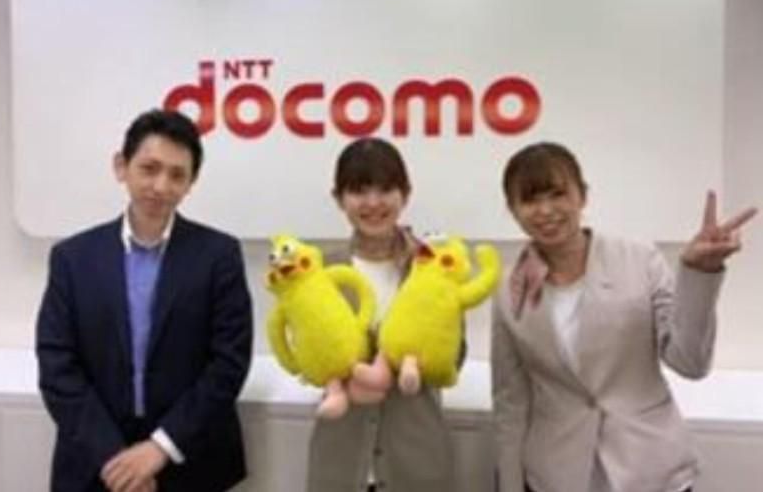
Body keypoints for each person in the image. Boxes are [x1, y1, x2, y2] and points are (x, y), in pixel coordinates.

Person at [490, 142, 757, 492]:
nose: (545, 211)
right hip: (557, 475)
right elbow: (510, 402)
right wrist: (510, 485)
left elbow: (689, 362)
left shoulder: (638, 259)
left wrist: (699, 273)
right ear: (512, 209)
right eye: (529, 200)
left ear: (582, 196)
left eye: (558, 194)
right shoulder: (508, 292)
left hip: (651, 466)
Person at [36, 109, 253, 492]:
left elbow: (228, 363)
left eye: (177, 175)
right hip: (96, 464)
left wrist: (160, 448)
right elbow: (57, 365)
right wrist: (117, 461)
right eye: (149, 169)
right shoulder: (73, 258)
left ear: (191, 182)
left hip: (191, 462)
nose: (161, 185)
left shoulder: (219, 255)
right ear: (122, 167)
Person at [305, 137, 456, 492]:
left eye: (386, 189)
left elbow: (454, 357)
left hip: (417, 462)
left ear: (406, 193)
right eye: (359, 190)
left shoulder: (434, 266)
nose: (373, 203)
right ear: (339, 198)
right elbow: (311, 363)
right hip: (339, 461)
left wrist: (395, 364)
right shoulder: (320, 273)